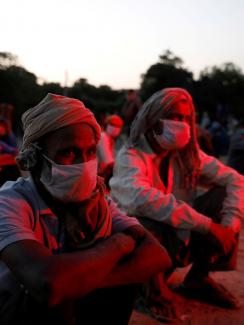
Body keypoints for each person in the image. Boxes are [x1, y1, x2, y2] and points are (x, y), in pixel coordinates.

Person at [0, 93, 171, 325]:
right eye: (69, 152)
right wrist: (118, 244)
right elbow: (47, 285)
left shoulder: (97, 201)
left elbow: (158, 256)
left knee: (118, 273)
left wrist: (82, 282)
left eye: (90, 152)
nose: (83, 163)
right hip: (16, 314)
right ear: (36, 158)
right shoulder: (9, 203)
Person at [109, 88, 244, 314]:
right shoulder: (131, 155)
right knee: (143, 220)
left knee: (222, 196)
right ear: (153, 119)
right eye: (172, 116)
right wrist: (208, 226)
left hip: (178, 240)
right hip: (140, 249)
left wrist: (229, 227)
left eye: (184, 117)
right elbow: (141, 199)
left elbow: (236, 180)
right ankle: (150, 292)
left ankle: (197, 280)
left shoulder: (187, 155)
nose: (180, 123)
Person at [97, 114, 124, 187]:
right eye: (113, 125)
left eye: (118, 126)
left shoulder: (110, 139)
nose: (115, 129)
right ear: (106, 125)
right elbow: (108, 161)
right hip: (98, 175)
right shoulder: (103, 137)